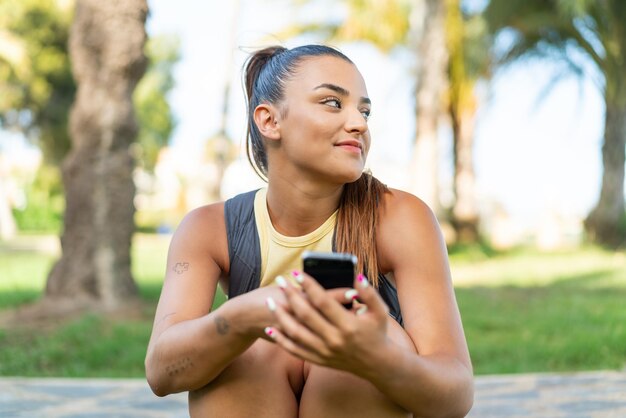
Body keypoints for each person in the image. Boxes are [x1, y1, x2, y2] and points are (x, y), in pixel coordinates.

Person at [145, 44, 474, 417]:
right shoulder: (209, 229)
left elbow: (455, 395)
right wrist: (246, 316)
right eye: (333, 103)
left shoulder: (401, 218)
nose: (360, 123)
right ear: (270, 121)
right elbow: (161, 372)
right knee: (252, 350)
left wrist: (379, 357)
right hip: (257, 386)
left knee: (349, 348)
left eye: (364, 110)